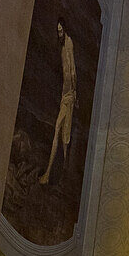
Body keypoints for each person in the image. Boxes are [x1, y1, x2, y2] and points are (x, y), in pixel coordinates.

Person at [40, 19, 76, 185]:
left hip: (68, 96)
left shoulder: (68, 44)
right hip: (65, 95)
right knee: (61, 133)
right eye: (58, 32)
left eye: (61, 31)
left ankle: (51, 172)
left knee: (61, 132)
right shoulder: (63, 46)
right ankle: (57, 170)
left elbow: (71, 71)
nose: (59, 34)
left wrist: (73, 94)